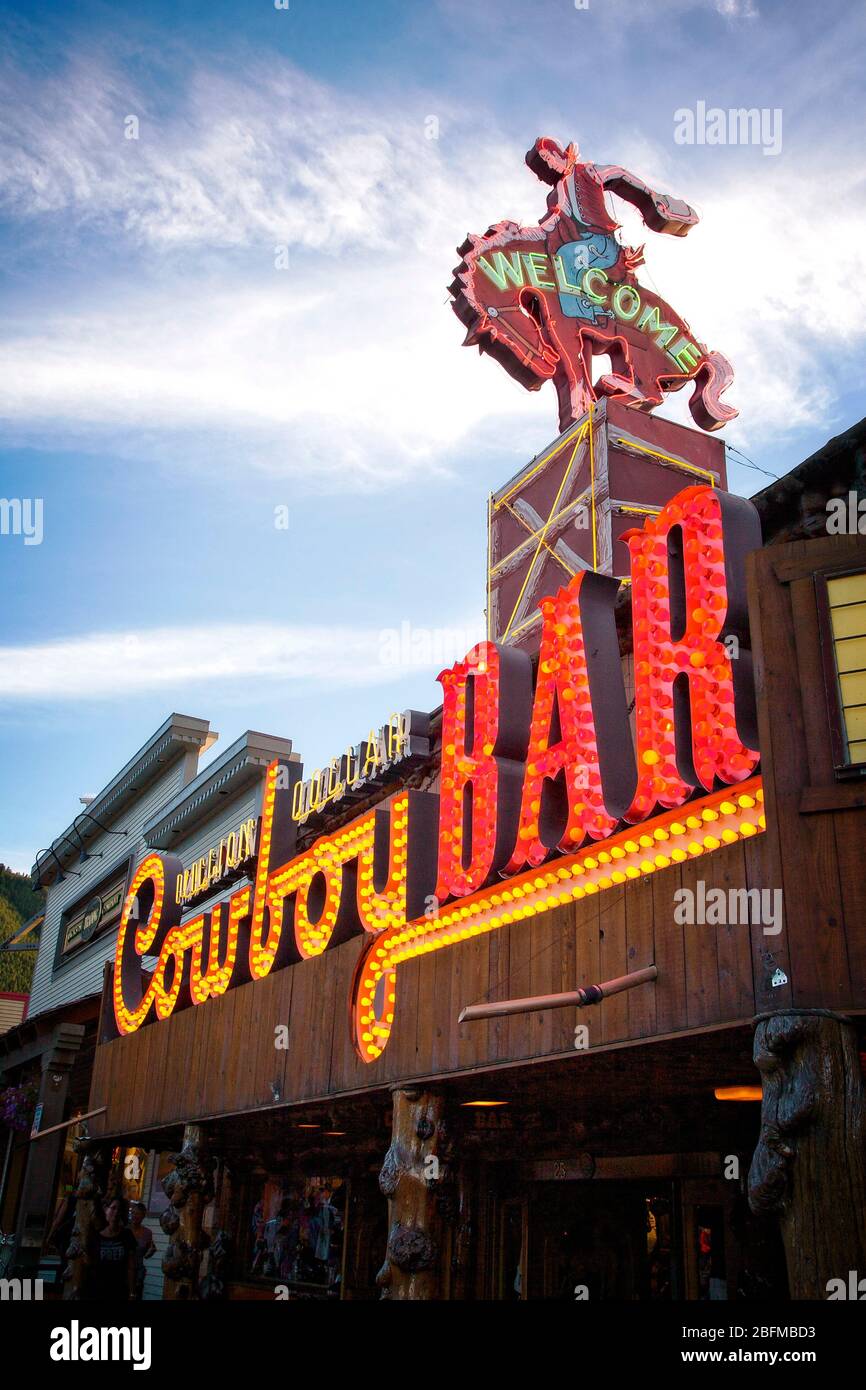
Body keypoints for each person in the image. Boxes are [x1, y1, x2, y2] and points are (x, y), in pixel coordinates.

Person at [86, 1197, 137, 1301]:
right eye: (113, 1208)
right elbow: (88, 1264)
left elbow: (131, 1266)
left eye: (119, 1209)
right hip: (97, 1290)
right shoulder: (95, 1237)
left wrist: (132, 1293)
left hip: (119, 1290)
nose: (116, 1212)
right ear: (106, 1210)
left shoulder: (127, 1235)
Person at [129, 1201, 156, 1300]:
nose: (135, 1216)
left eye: (138, 1214)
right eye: (133, 1213)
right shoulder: (125, 1230)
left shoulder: (147, 1233)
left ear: (143, 1216)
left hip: (138, 1274)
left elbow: (147, 1253)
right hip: (124, 1271)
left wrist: (150, 1252)